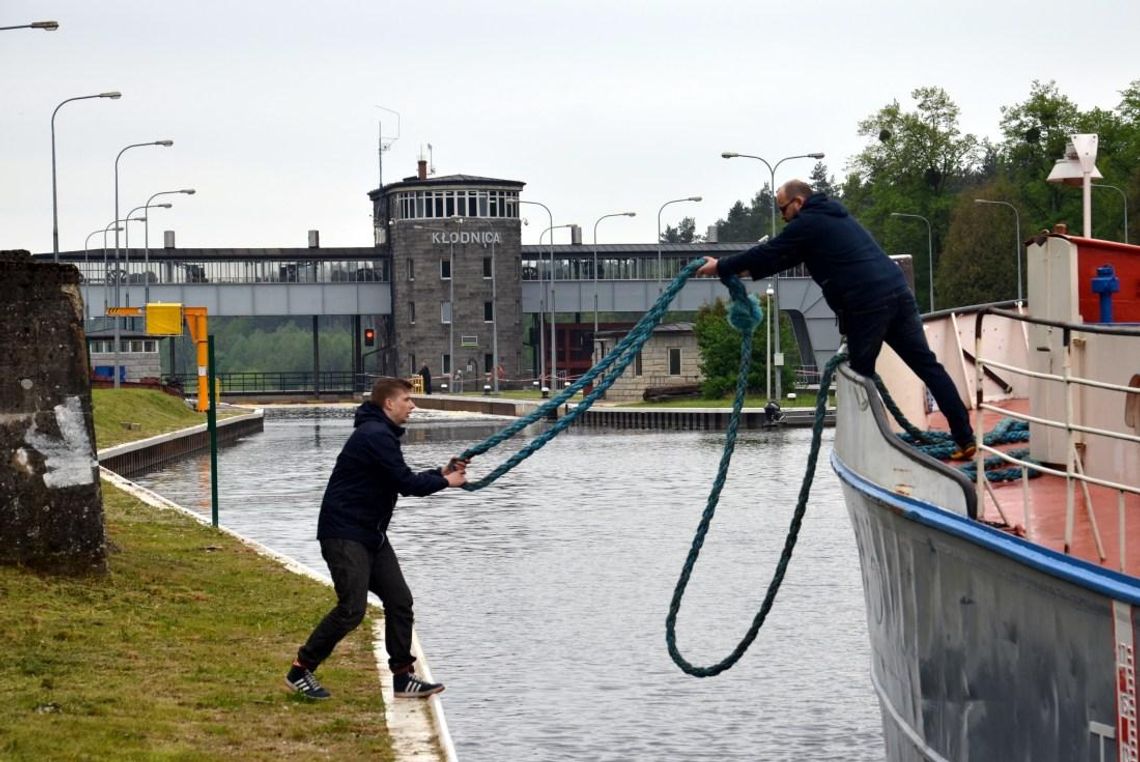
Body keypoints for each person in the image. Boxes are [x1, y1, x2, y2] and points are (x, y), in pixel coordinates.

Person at [697, 179, 975, 459]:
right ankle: (965, 438)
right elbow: (781, 259)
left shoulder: (808, 223)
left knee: (858, 377)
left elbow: (771, 250)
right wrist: (738, 272)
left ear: (798, 202)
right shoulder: (831, 217)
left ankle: (866, 450)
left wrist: (721, 265)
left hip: (867, 303)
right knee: (927, 367)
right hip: (897, 292)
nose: (782, 217)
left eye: (783, 209)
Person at [286, 376, 468, 700]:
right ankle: (300, 670)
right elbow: (406, 484)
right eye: (407, 400)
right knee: (352, 609)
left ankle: (403, 678)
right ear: (389, 404)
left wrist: (440, 474)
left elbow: (401, 476)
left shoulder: (381, 434)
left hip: (371, 535)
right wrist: (447, 482)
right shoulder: (374, 435)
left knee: (400, 601)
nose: (413, 406)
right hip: (344, 534)